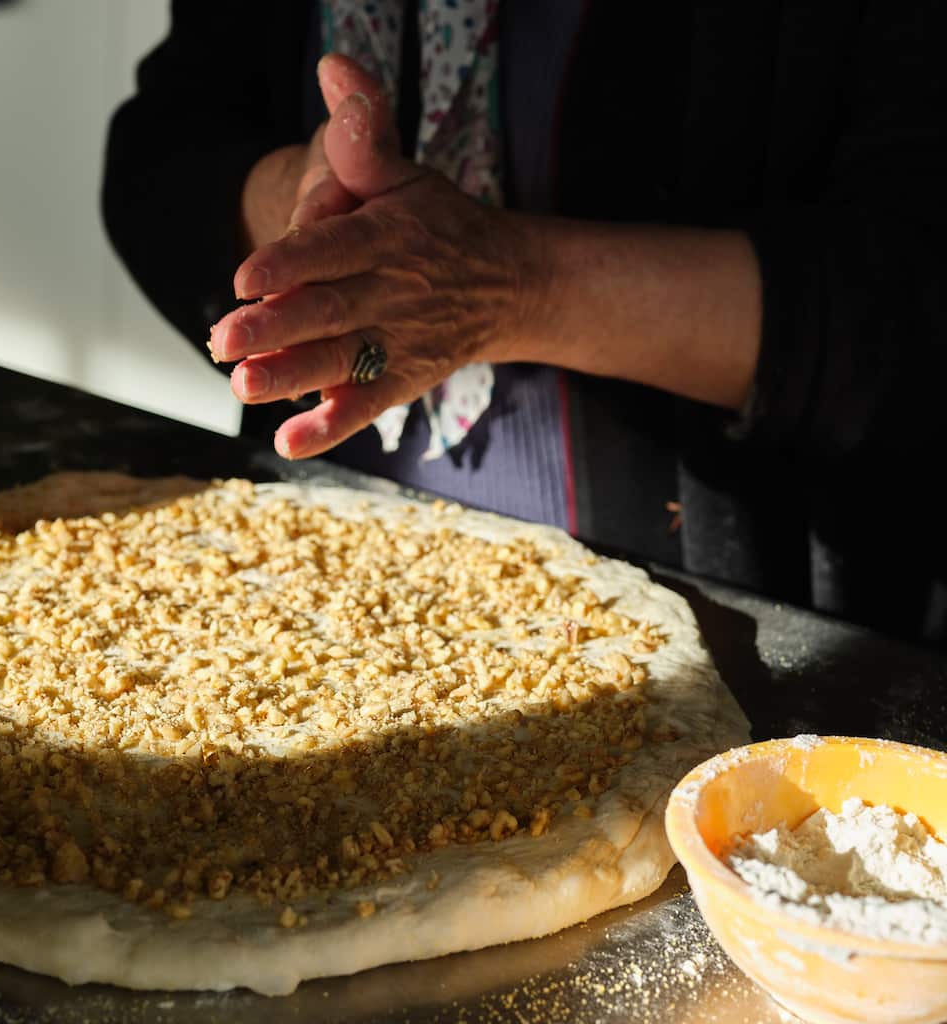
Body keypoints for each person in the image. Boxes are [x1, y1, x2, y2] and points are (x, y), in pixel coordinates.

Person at [103, 1, 947, 644]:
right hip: (309, 585)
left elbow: (909, 312)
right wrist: (306, 208)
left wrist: (513, 286)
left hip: (703, 619)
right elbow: (160, 150)